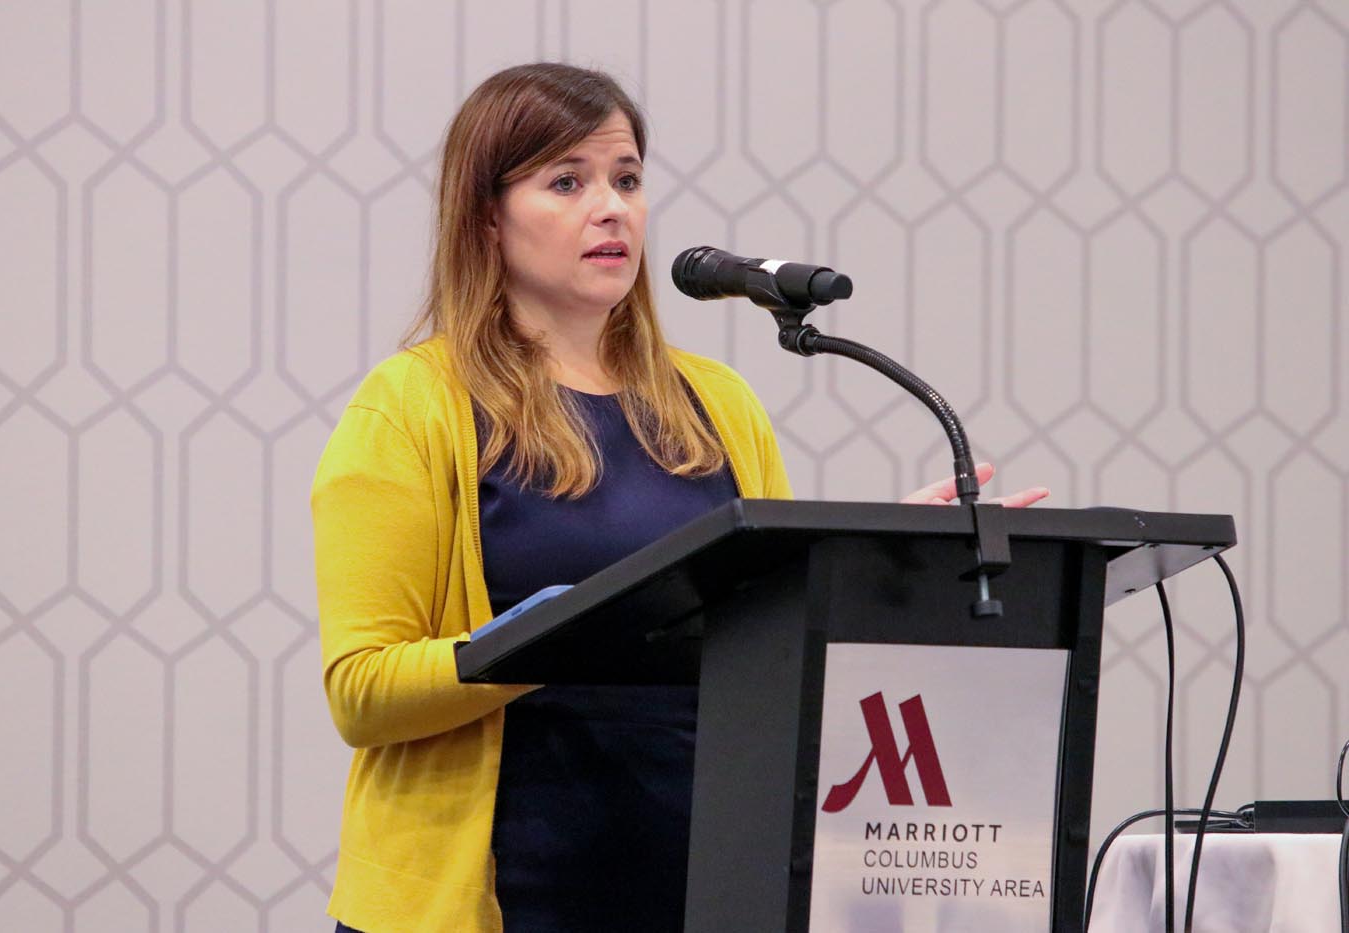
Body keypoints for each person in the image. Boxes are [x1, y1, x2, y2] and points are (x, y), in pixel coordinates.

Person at [311, 62, 1046, 933]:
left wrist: (878, 562)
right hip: (503, 896)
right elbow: (362, 691)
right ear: (486, 216)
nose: (612, 206)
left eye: (626, 179)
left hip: (708, 883)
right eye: (567, 181)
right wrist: (540, 639)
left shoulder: (718, 405)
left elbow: (770, 644)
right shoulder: (411, 406)